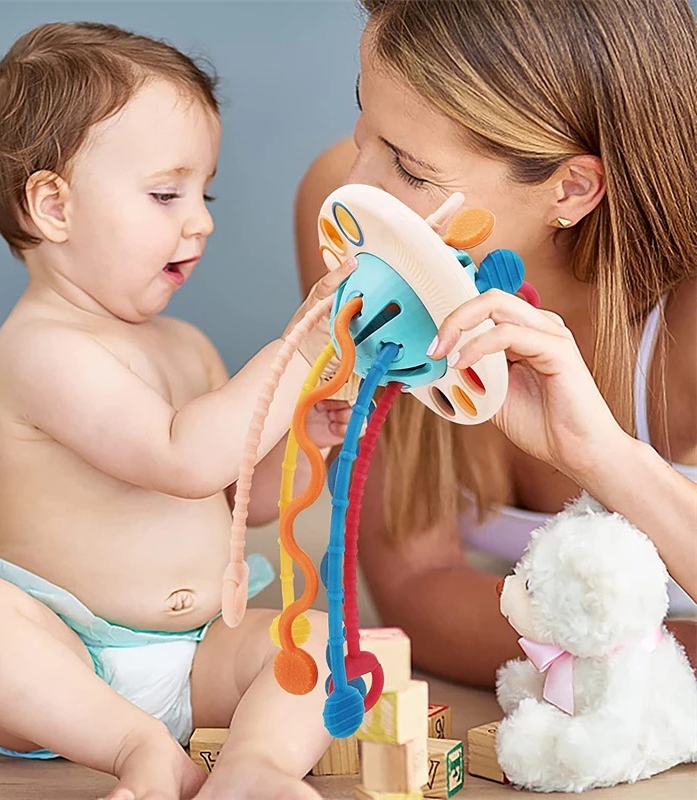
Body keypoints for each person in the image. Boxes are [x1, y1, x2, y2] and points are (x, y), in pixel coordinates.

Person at [0, 21, 357, 800]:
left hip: (201, 651)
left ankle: (255, 765)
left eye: (204, 193)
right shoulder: (42, 351)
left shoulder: (186, 347)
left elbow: (241, 500)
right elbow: (184, 458)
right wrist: (301, 347)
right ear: (54, 205)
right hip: (66, 664)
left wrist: (304, 436)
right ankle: (135, 747)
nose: (201, 219)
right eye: (165, 194)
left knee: (323, 640)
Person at [295, 0, 697, 688]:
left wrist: (602, 457)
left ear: (572, 189)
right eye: (363, 116)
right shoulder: (355, 216)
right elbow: (416, 589)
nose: (355, 184)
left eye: (411, 170)